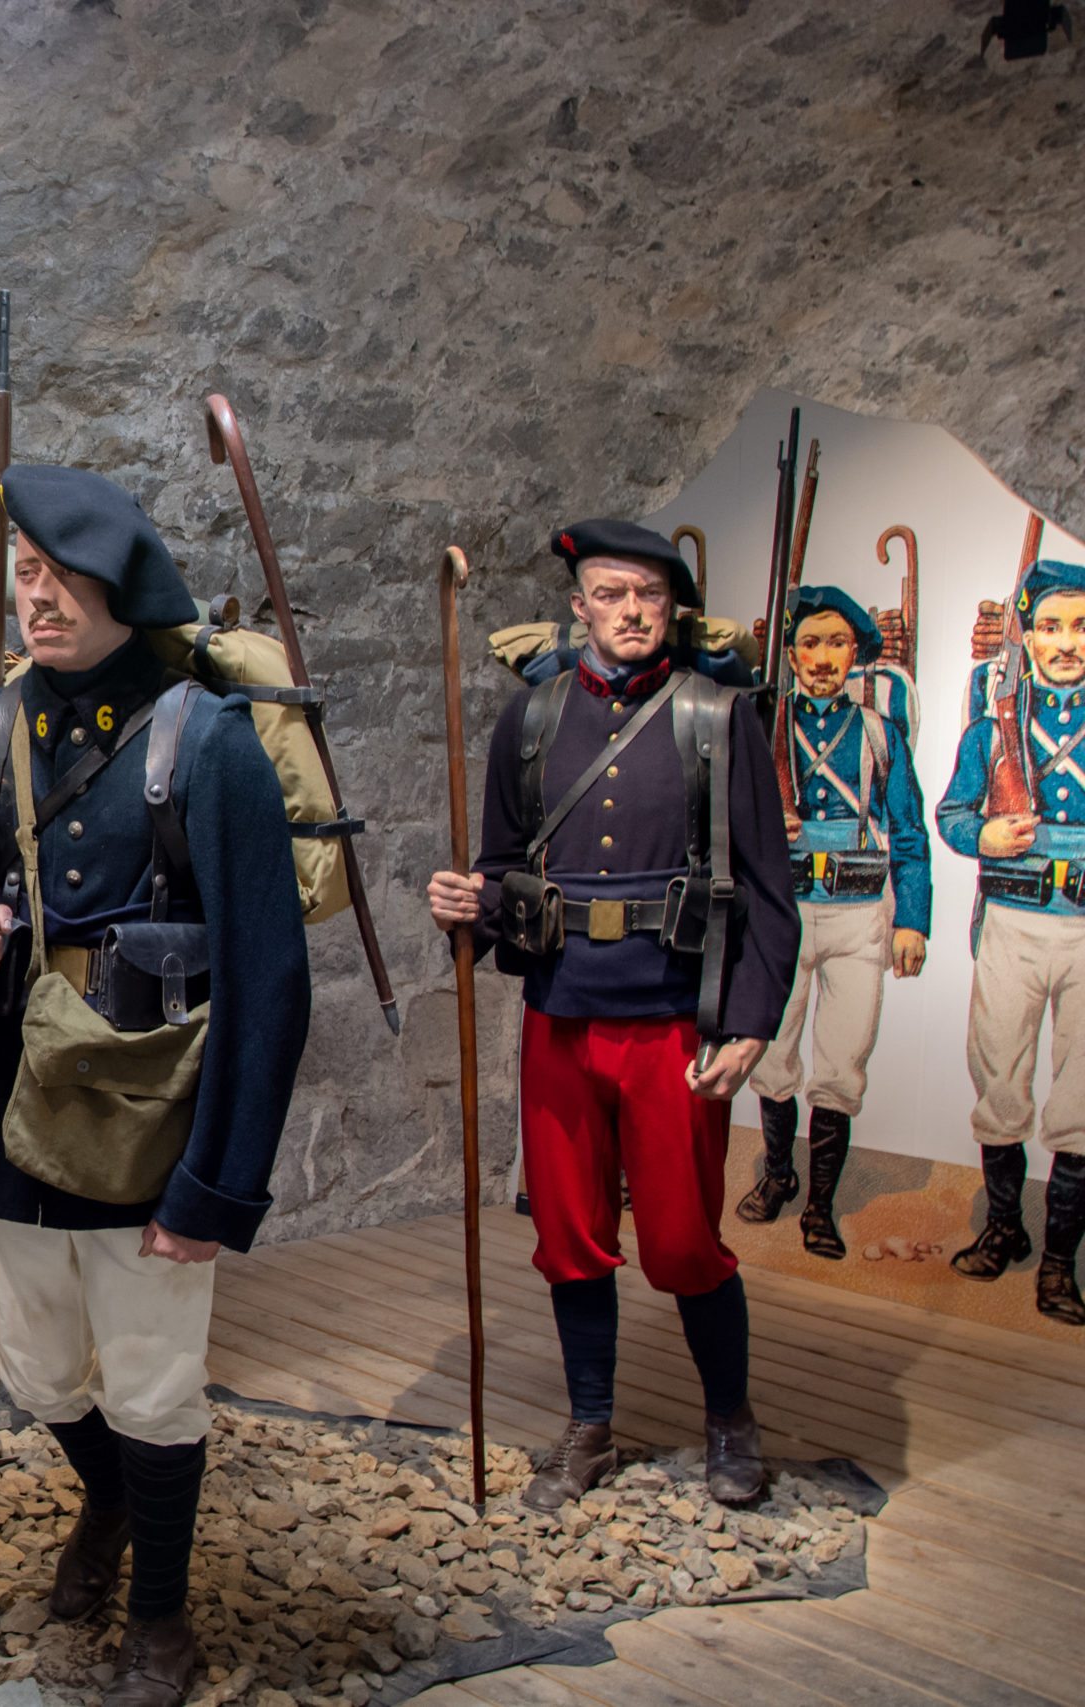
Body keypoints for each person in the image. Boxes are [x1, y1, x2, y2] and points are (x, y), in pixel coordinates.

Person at [0, 466, 310, 1707]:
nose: (40, 599)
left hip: (149, 1123)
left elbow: (268, 983)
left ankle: (163, 1623)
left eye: (66, 580)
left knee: (150, 1382)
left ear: (126, 590)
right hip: (12, 1116)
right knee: (33, 1371)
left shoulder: (209, 741)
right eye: (26, 575)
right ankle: (112, 1501)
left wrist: (216, 1186)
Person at [427, 520, 799, 1511]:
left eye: (646, 594)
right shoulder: (533, 722)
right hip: (560, 1015)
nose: (629, 611)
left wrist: (750, 1023)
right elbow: (506, 868)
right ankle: (589, 1424)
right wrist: (469, 903)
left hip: (675, 1023)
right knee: (569, 1235)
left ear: (671, 607)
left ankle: (730, 1419)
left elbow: (769, 891)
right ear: (579, 606)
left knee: (682, 1243)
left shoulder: (719, 719)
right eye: (609, 593)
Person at [738, 587, 930, 1258]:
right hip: (782, 911)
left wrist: (914, 920)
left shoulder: (880, 732)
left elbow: (908, 831)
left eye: (836, 643)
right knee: (772, 1049)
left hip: (857, 912)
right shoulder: (761, 727)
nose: (822, 658)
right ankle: (779, 1173)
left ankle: (820, 1204)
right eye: (810, 643)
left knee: (843, 1060)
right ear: (789, 652)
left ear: (857, 652)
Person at [933, 558, 1085, 1325]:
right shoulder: (994, 723)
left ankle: (1059, 1265)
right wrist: (986, 831)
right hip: (1015, 921)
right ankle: (1004, 1226)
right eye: (1051, 625)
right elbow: (952, 814)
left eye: (1081, 625)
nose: (1066, 642)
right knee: (1000, 1078)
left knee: (1084, 1096)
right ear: (1027, 632)